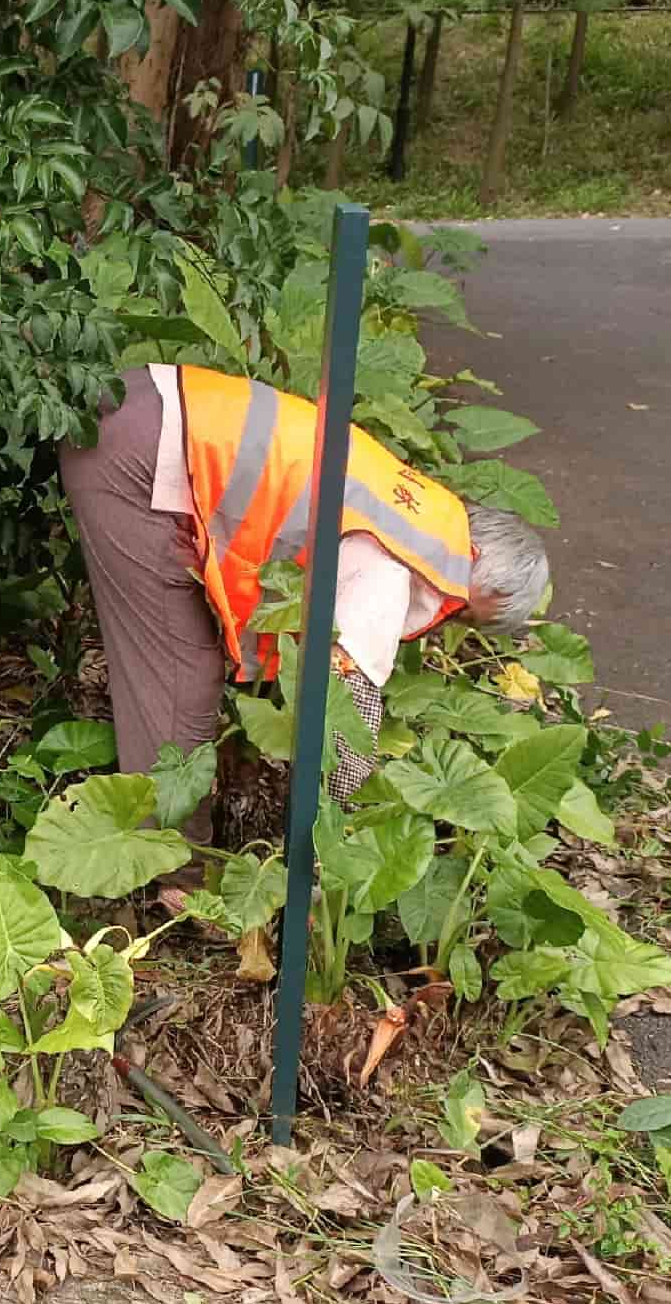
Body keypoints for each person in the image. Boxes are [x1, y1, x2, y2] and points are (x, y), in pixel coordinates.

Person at [58, 362, 552, 905]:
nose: (447, 622)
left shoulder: (419, 511)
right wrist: (341, 813)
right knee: (180, 679)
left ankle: (170, 857)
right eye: (463, 612)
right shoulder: (396, 568)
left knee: (187, 669)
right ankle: (178, 879)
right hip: (140, 458)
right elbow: (347, 716)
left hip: (145, 406)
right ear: (475, 556)